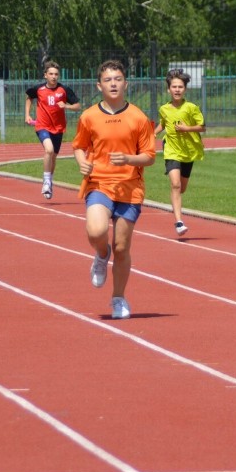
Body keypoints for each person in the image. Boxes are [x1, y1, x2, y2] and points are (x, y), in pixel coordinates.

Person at [72, 59, 156, 319]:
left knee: (122, 248)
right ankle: (100, 253)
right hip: (99, 183)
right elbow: (78, 146)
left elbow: (150, 156)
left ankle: (118, 298)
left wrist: (130, 159)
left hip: (130, 189)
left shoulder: (139, 118)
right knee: (96, 231)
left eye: (117, 79)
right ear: (99, 85)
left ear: (126, 84)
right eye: (108, 80)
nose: (113, 84)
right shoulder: (89, 116)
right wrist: (82, 162)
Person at [153, 68, 206, 236]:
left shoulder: (191, 108)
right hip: (171, 150)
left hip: (188, 152)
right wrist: (154, 133)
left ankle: (177, 202)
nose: (177, 90)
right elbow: (163, 122)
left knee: (181, 188)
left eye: (180, 87)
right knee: (175, 184)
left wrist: (186, 128)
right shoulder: (164, 109)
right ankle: (179, 222)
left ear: (185, 89)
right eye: (174, 87)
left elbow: (202, 127)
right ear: (168, 89)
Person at [25, 61, 81, 198]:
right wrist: (27, 114)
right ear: (45, 75)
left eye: (56, 74)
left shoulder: (64, 90)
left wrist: (66, 106)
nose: (54, 77)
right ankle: (46, 181)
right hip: (42, 126)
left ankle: (49, 180)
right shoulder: (38, 89)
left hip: (58, 128)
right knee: (48, 150)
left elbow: (78, 105)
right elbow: (29, 98)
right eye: (51, 74)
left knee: (54, 157)